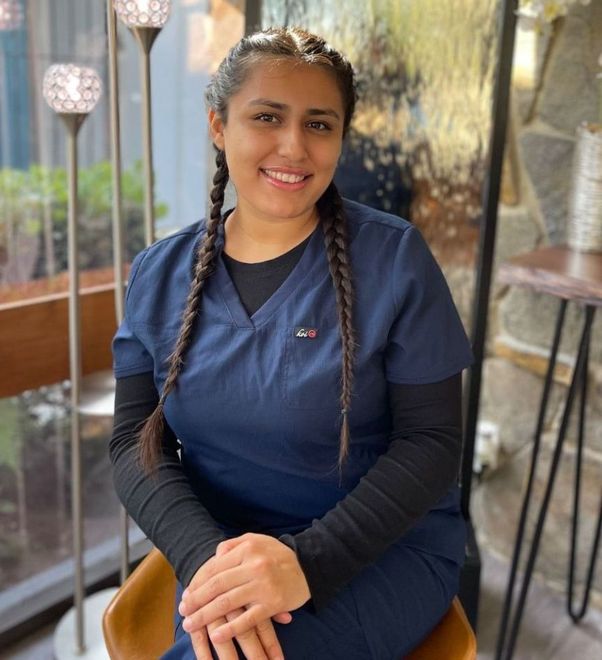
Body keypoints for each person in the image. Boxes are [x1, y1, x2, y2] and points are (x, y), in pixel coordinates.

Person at [110, 26, 474, 660]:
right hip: (225, 551)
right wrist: (204, 557)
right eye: (267, 117)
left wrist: (305, 562)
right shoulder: (158, 275)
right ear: (219, 126)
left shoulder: (394, 260)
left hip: (378, 550)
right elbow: (133, 440)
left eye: (320, 124)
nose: (293, 146)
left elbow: (432, 441)